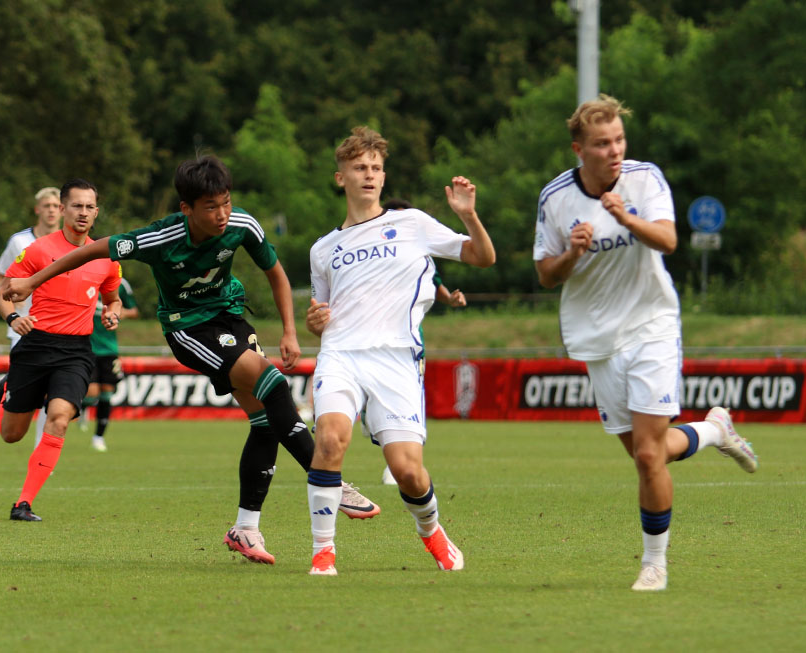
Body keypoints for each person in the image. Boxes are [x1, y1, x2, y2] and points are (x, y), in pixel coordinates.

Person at [1, 155, 379, 563]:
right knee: (273, 384)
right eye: (210, 207)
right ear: (186, 208)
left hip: (229, 318)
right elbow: (94, 250)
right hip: (188, 329)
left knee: (266, 420)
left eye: (226, 203)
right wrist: (33, 281)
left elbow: (276, 273)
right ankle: (329, 481)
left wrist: (289, 330)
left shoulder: (241, 226)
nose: (221, 215)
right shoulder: (157, 238)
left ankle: (246, 529)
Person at [532, 94, 759, 591]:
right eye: (601, 143)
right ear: (579, 149)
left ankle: (653, 563)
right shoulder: (555, 199)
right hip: (596, 339)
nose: (614, 150)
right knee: (646, 452)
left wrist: (625, 217)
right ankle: (716, 430)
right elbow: (546, 275)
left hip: (651, 324)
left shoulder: (645, 178)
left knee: (650, 458)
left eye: (618, 139)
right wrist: (572, 253)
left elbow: (668, 241)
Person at [305, 126, 496, 576]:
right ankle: (322, 552)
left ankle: (431, 530)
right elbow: (323, 313)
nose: (368, 175)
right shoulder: (322, 249)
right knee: (330, 439)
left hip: (395, 359)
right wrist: (316, 323)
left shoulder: (411, 224)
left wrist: (469, 216)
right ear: (341, 178)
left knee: (408, 471)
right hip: (341, 355)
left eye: (375, 167)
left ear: (384, 176)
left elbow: (482, 258)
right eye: (359, 167)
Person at [0, 179, 122, 522]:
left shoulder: (106, 257)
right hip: (35, 346)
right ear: (62, 209)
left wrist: (113, 312)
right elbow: (2, 292)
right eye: (76, 205)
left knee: (60, 419)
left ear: (96, 212)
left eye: (89, 207)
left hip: (77, 350)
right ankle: (8, 388)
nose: (83, 212)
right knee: (11, 435)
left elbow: (113, 296)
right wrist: (12, 317)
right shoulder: (37, 249)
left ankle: (23, 503)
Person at [375, 198, 467, 486]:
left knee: (413, 398)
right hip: (372, 339)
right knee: (373, 409)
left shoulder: (419, 254)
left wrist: (449, 297)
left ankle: (404, 463)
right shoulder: (374, 252)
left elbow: (435, 282)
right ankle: (393, 454)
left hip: (411, 343)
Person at [0, 187, 63, 446]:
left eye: (56, 206)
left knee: (52, 391)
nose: (52, 210)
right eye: (47, 206)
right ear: (38, 209)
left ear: (62, 209)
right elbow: (0, 277)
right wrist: (11, 305)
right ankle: (4, 392)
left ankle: (41, 447)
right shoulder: (19, 241)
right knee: (25, 388)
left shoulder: (72, 242)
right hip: (23, 326)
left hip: (58, 326)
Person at [79, 277, 139, 452]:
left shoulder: (120, 283)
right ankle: (84, 407)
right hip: (86, 347)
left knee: (107, 392)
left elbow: (134, 311)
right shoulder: (84, 276)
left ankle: (98, 437)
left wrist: (118, 313)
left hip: (109, 349)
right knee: (92, 393)